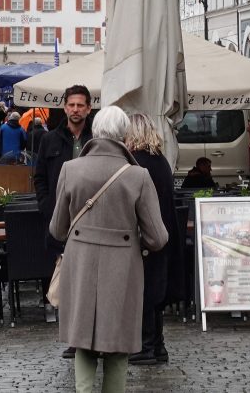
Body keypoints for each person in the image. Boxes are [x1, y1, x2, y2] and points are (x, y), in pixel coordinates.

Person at [49, 106, 167, 393]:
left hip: (80, 261)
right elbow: (158, 237)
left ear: (95, 131)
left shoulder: (70, 169)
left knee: (83, 342)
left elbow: (57, 229)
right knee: (118, 344)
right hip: (123, 266)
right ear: (124, 135)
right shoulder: (138, 176)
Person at [34, 84, 93, 331]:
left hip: (90, 218)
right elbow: (40, 177)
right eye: (71, 105)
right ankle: (70, 333)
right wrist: (47, 205)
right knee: (63, 275)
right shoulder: (49, 139)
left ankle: (87, 330)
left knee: (88, 277)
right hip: (60, 219)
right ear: (64, 107)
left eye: (80, 105)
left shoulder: (96, 140)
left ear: (89, 109)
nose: (75, 110)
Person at [123, 113, 176, 366]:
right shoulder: (161, 161)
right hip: (163, 234)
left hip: (145, 236)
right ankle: (158, 346)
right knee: (156, 291)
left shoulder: (137, 164)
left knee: (142, 292)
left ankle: (145, 346)